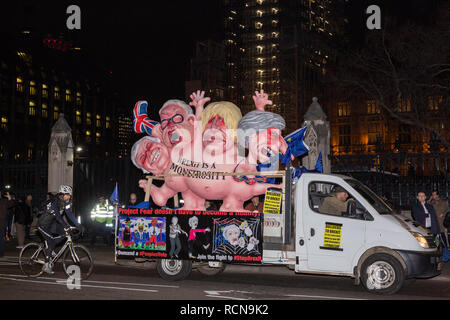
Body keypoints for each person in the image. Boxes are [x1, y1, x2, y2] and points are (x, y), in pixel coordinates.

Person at [37, 185, 81, 274]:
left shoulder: (65, 202)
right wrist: (65, 225)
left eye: (70, 195)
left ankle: (50, 248)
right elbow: (58, 217)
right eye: (67, 195)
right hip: (43, 225)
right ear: (62, 194)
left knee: (65, 233)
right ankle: (46, 264)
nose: (69, 197)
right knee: (52, 242)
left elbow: (69, 214)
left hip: (52, 224)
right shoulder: (54, 202)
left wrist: (78, 225)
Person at [0, 191, 14, 258]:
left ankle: (1, 253)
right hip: (2, 223)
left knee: (1, 239)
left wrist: (9, 198)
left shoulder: (4, 201)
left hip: (1, 223)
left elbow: (11, 204)